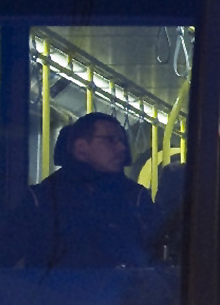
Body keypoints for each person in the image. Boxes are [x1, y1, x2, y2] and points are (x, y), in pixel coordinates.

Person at [8, 112, 156, 269]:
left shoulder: (137, 199)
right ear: (81, 147)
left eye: (121, 141)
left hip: (124, 292)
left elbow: (158, 252)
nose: (121, 148)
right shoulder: (41, 200)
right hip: (56, 292)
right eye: (110, 140)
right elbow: (2, 253)